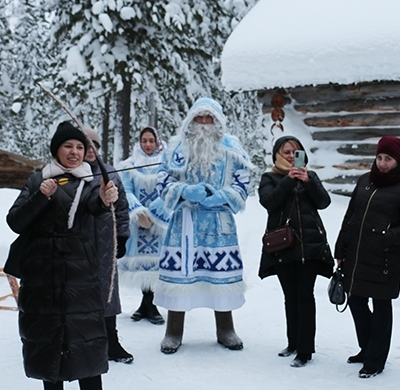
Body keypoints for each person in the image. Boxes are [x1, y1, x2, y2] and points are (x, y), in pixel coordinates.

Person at [6, 121, 119, 390]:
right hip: (42, 275)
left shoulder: (89, 180)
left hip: (80, 276)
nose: (74, 152)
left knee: (87, 349)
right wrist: (41, 196)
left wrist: (103, 199)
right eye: (68, 146)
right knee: (47, 344)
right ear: (56, 149)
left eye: (80, 148)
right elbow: (15, 221)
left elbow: (91, 210)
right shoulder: (39, 179)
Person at [155, 97, 251, 354]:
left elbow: (243, 182)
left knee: (219, 278)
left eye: (210, 118)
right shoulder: (176, 149)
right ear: (191, 120)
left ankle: (225, 329)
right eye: (200, 117)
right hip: (183, 226)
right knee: (180, 278)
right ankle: (173, 331)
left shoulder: (232, 149)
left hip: (219, 225)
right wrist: (186, 192)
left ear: (219, 121)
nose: (205, 123)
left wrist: (222, 197)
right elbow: (162, 182)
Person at [334, 135, 400, 378]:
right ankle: (367, 348)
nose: (382, 163)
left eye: (388, 159)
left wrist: (387, 236)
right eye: (380, 158)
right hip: (356, 255)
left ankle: (375, 359)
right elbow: (349, 218)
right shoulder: (365, 182)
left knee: (381, 306)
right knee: (355, 302)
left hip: (385, 259)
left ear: (399, 160)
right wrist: (340, 248)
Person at [258, 136, 334, 367]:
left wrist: (307, 182)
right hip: (282, 245)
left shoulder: (310, 177)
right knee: (289, 296)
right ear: (277, 155)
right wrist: (289, 181)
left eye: (295, 152)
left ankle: (305, 350)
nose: (291, 156)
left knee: (304, 296)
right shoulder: (270, 178)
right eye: (287, 152)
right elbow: (269, 202)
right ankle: (292, 342)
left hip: (309, 246)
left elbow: (324, 202)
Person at [84, 128, 133, 363]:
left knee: (108, 292)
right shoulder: (70, 173)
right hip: (77, 244)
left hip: (105, 243)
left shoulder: (110, 173)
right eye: (86, 144)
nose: (91, 150)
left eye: (95, 145)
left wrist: (122, 237)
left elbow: (122, 208)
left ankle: (111, 341)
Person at [117, 126, 169, 325]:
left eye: (151, 141)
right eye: (144, 141)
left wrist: (153, 214)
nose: (148, 145)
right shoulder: (129, 165)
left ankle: (151, 303)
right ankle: (145, 303)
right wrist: (138, 211)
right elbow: (126, 190)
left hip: (158, 222)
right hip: (137, 222)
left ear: (157, 142)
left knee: (155, 264)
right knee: (141, 265)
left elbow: (167, 191)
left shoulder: (166, 164)